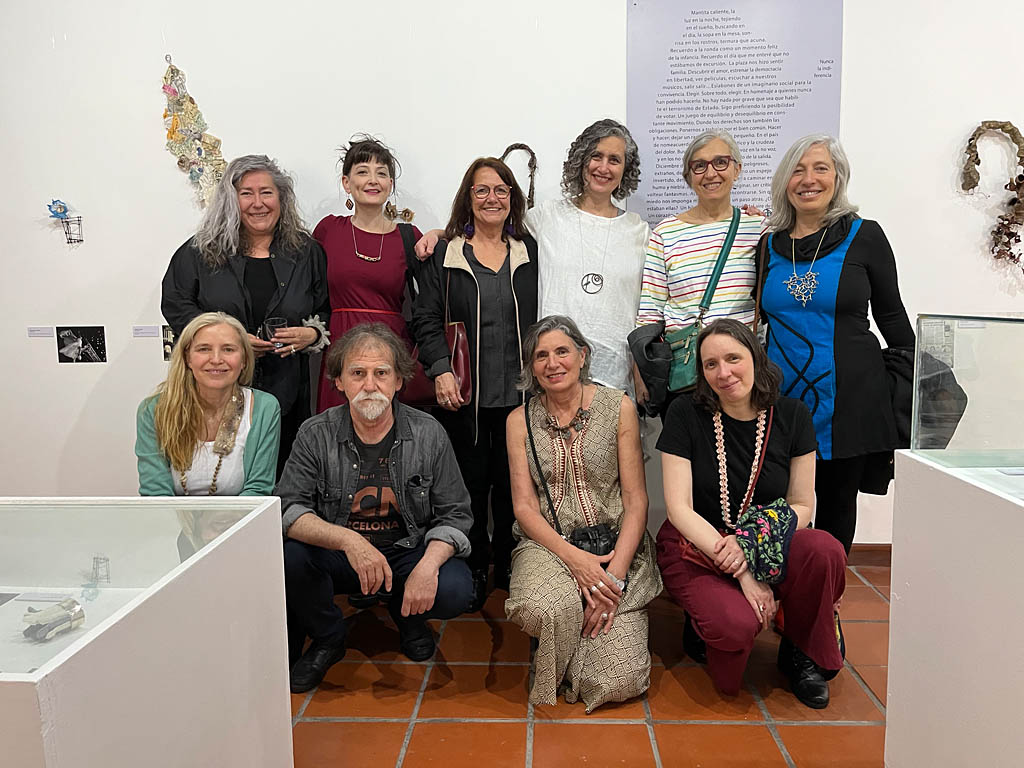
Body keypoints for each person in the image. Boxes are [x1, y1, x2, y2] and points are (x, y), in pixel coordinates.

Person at [655, 319, 846, 709]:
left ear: (756, 358)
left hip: (766, 540)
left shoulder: (792, 415)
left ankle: (800, 650)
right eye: (710, 365)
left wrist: (751, 544)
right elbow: (678, 508)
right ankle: (703, 624)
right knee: (735, 626)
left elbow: (802, 504)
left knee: (824, 549)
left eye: (733, 358)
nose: (723, 373)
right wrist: (742, 569)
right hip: (698, 544)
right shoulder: (684, 413)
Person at [276, 324, 473, 693]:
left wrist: (427, 567)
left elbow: (456, 514)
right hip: (340, 555)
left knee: (453, 589)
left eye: (381, 373)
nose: (370, 384)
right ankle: (327, 638)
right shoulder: (313, 433)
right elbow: (288, 508)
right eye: (357, 373)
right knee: (290, 558)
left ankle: (409, 616)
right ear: (338, 381)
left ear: (399, 380)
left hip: (406, 551)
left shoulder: (429, 432)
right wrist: (350, 542)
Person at [757, 135, 914, 553]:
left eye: (820, 168)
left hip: (849, 397)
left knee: (837, 504)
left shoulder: (866, 236)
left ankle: (826, 602)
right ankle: (783, 593)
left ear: (838, 177)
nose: (809, 179)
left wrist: (921, 384)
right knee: (779, 501)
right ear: (784, 180)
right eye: (798, 169)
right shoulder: (767, 244)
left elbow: (893, 316)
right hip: (780, 399)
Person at [417, 119, 648, 394]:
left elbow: (645, 309)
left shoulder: (639, 232)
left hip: (616, 375)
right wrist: (440, 233)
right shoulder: (547, 217)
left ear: (626, 169)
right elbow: (492, 225)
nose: (604, 167)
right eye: (596, 156)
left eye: (615, 160)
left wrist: (639, 370)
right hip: (554, 374)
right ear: (581, 160)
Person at [504, 315, 662, 713]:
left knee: (617, 679)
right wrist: (577, 563)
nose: (552, 363)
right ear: (531, 367)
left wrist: (613, 580)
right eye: (541, 356)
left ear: (582, 355)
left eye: (562, 351)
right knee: (540, 606)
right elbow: (523, 507)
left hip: (615, 548)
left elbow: (637, 499)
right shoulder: (518, 421)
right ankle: (560, 620)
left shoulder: (618, 407)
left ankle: (571, 631)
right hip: (550, 547)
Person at [411, 157, 538, 611]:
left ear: (512, 199)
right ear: (468, 198)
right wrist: (441, 368)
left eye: (501, 190)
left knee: (514, 488)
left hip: (522, 398)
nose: (492, 198)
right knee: (468, 487)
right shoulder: (444, 256)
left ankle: (508, 563)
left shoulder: (530, 252)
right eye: (481, 190)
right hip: (463, 397)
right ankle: (474, 564)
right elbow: (424, 320)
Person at [161, 155, 330, 475]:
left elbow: (326, 309)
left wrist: (312, 334)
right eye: (246, 193)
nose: (258, 203)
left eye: (266, 192)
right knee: (220, 474)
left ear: (282, 199)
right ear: (230, 199)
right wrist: (225, 341)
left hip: (287, 391)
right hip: (216, 387)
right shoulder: (200, 250)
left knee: (283, 477)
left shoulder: (308, 252)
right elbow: (175, 303)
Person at [634, 129, 766, 412]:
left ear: (737, 169)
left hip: (741, 370)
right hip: (686, 372)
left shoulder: (760, 229)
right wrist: (641, 372)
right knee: (685, 455)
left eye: (721, 162)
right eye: (699, 165)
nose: (711, 173)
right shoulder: (665, 233)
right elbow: (650, 311)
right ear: (688, 176)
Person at [312, 135, 422, 412]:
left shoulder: (409, 236)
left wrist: (440, 232)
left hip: (391, 351)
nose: (373, 180)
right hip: (340, 346)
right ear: (346, 183)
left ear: (390, 185)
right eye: (363, 172)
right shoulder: (328, 230)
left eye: (381, 174)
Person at [136, 311, 281, 498]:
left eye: (228, 349)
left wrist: (225, 527)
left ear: (244, 359)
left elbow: (258, 490)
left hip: (240, 524)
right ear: (187, 357)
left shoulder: (264, 408)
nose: (216, 359)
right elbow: (155, 493)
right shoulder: (153, 411)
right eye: (204, 349)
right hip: (172, 525)